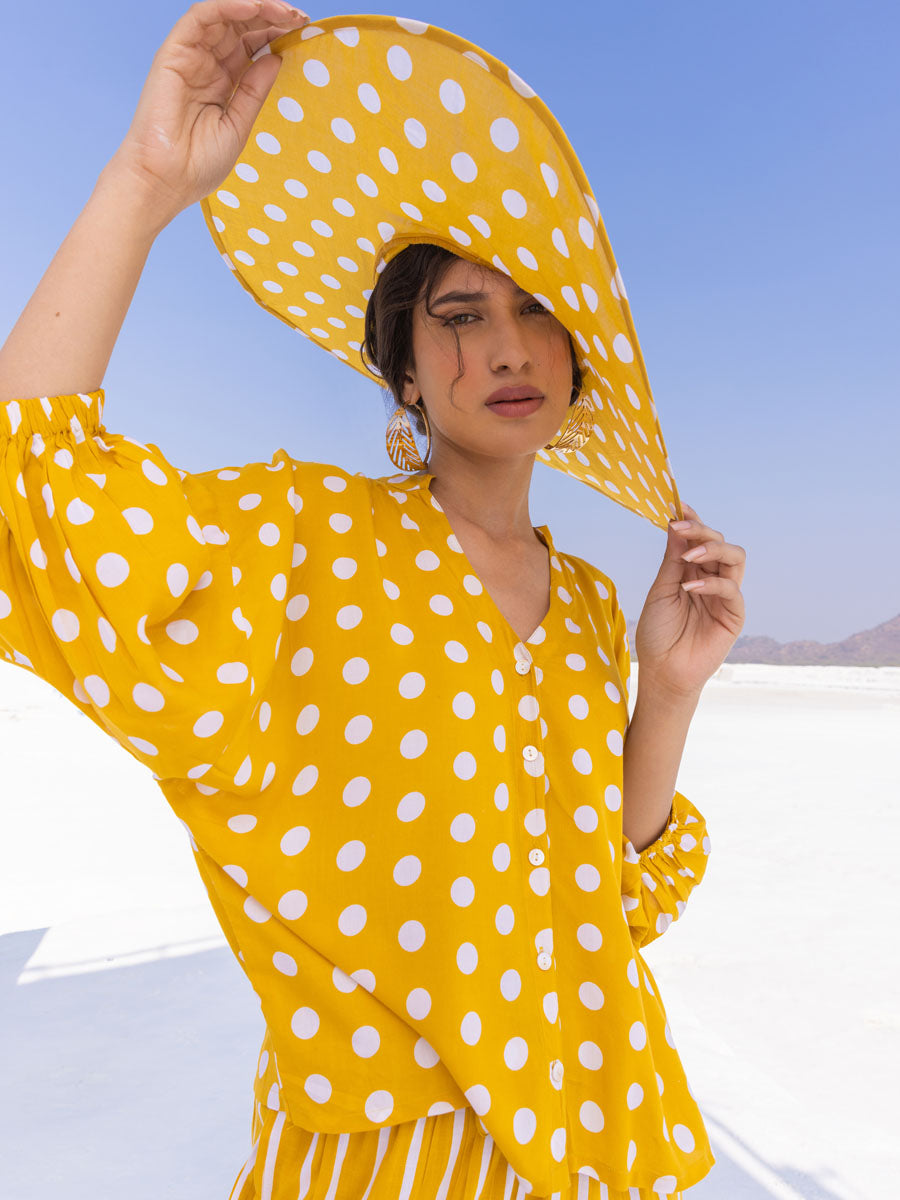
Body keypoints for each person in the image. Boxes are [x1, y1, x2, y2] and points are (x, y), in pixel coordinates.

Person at [0, 2, 746, 1197]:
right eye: (460, 317)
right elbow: (33, 491)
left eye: (536, 310)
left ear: (577, 358)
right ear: (403, 370)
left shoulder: (593, 605)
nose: (507, 347)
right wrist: (143, 182)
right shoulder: (311, 538)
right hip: (387, 1157)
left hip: (590, 1139)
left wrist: (666, 690)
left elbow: (603, 902)